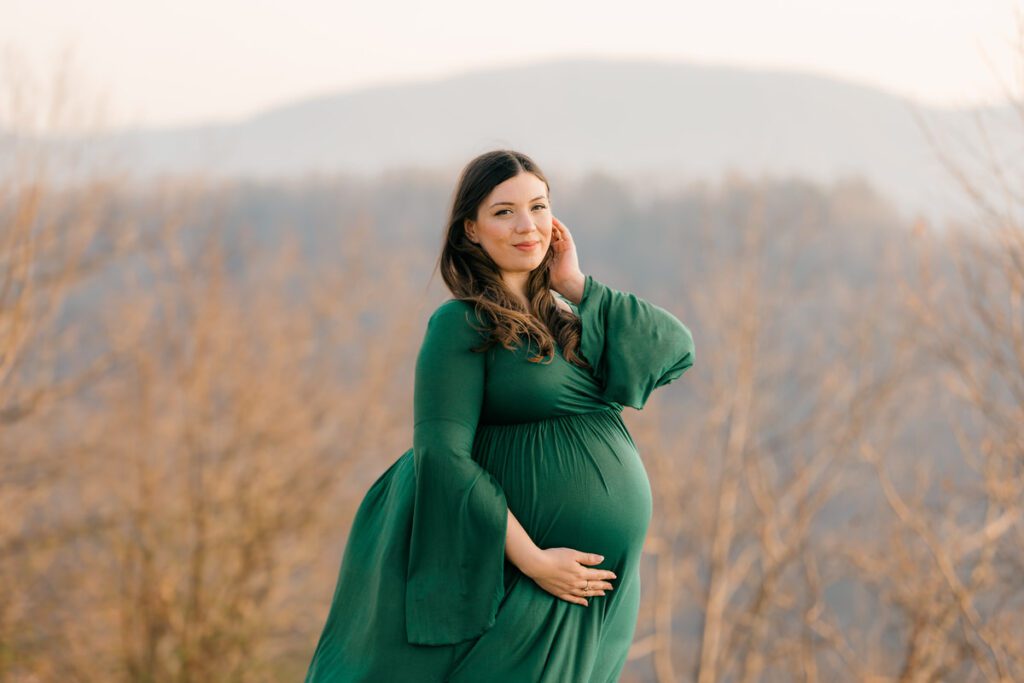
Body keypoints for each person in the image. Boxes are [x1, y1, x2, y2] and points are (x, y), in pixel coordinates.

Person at [304, 149, 696, 682]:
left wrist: (576, 283)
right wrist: (534, 559)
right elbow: (441, 455)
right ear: (471, 230)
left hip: (600, 587)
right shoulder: (460, 324)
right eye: (504, 212)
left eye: (538, 207)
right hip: (529, 576)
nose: (526, 225)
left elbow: (675, 348)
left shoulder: (573, 316)